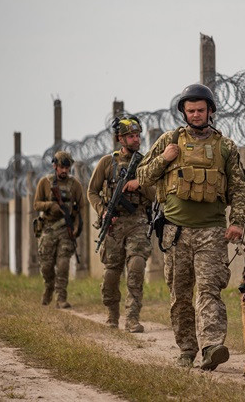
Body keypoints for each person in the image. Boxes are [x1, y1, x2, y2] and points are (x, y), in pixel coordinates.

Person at [136, 84, 245, 370]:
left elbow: (238, 188)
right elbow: (144, 176)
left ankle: (212, 346)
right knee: (180, 295)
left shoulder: (226, 147)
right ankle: (187, 349)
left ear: (210, 111)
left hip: (211, 232)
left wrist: (237, 223)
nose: (196, 115)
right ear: (184, 112)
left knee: (209, 290)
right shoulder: (168, 141)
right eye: (191, 110)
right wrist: (165, 158)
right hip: (176, 232)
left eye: (201, 110)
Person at [87, 116, 155, 333]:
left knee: (136, 266)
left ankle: (132, 318)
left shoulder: (145, 163)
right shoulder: (107, 163)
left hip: (138, 221)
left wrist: (139, 184)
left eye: (137, 135)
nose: (136, 140)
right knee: (111, 273)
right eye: (131, 136)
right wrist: (103, 210)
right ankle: (112, 314)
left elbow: (155, 194)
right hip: (114, 224)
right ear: (120, 139)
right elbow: (92, 192)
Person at [33, 151, 84, 309]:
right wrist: (50, 206)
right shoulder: (45, 183)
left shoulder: (75, 185)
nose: (64, 171)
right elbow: (36, 204)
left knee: (63, 264)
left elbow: (80, 209)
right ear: (55, 166)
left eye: (67, 168)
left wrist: (76, 228)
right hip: (48, 228)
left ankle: (61, 297)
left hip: (64, 230)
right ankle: (49, 287)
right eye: (61, 167)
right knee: (46, 265)